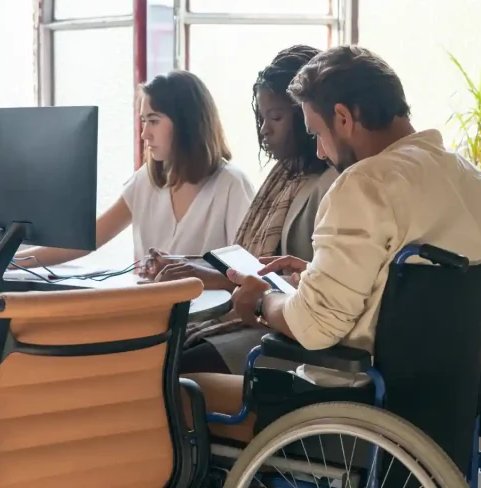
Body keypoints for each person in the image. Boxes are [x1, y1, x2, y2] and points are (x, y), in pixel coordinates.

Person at [211, 45, 481, 388]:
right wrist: (316, 276)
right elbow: (407, 301)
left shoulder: (364, 184)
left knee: (187, 390)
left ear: (343, 117)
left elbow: (314, 326)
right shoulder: (474, 182)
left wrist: (264, 300)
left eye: (317, 134)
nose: (321, 152)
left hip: (345, 403)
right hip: (441, 400)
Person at [142, 45, 338, 375]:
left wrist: (210, 278)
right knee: (155, 353)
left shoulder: (330, 185)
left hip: (284, 333)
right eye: (261, 119)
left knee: (172, 367)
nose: (265, 130)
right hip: (265, 319)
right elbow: (255, 267)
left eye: (276, 118)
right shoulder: (284, 177)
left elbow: (295, 287)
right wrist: (192, 268)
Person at [0, 70, 256, 266]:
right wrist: (6, 259)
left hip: (203, 325)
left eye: (153, 121)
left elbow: (248, 270)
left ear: (187, 123)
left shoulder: (230, 184)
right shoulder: (148, 181)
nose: (145, 134)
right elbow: (87, 240)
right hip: (153, 318)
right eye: (144, 122)